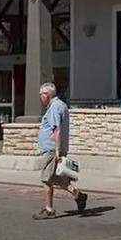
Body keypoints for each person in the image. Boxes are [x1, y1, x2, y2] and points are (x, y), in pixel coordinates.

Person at [32, 82, 87, 220]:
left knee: (46, 180)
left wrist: (57, 150)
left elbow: (56, 129)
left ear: (48, 95)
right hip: (52, 148)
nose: (40, 97)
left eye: (41, 95)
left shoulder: (55, 107)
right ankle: (78, 195)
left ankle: (49, 209)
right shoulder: (59, 105)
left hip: (51, 149)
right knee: (56, 177)